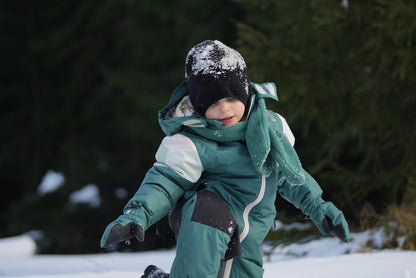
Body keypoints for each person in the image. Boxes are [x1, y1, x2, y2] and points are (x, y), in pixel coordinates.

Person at [100, 40, 350, 278]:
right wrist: (137, 215)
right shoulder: (191, 142)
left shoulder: (268, 131)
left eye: (232, 98)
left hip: (250, 232)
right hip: (203, 222)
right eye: (214, 102)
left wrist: (319, 208)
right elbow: (164, 182)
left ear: (244, 93)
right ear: (199, 105)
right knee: (209, 209)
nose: (225, 109)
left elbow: (290, 175)